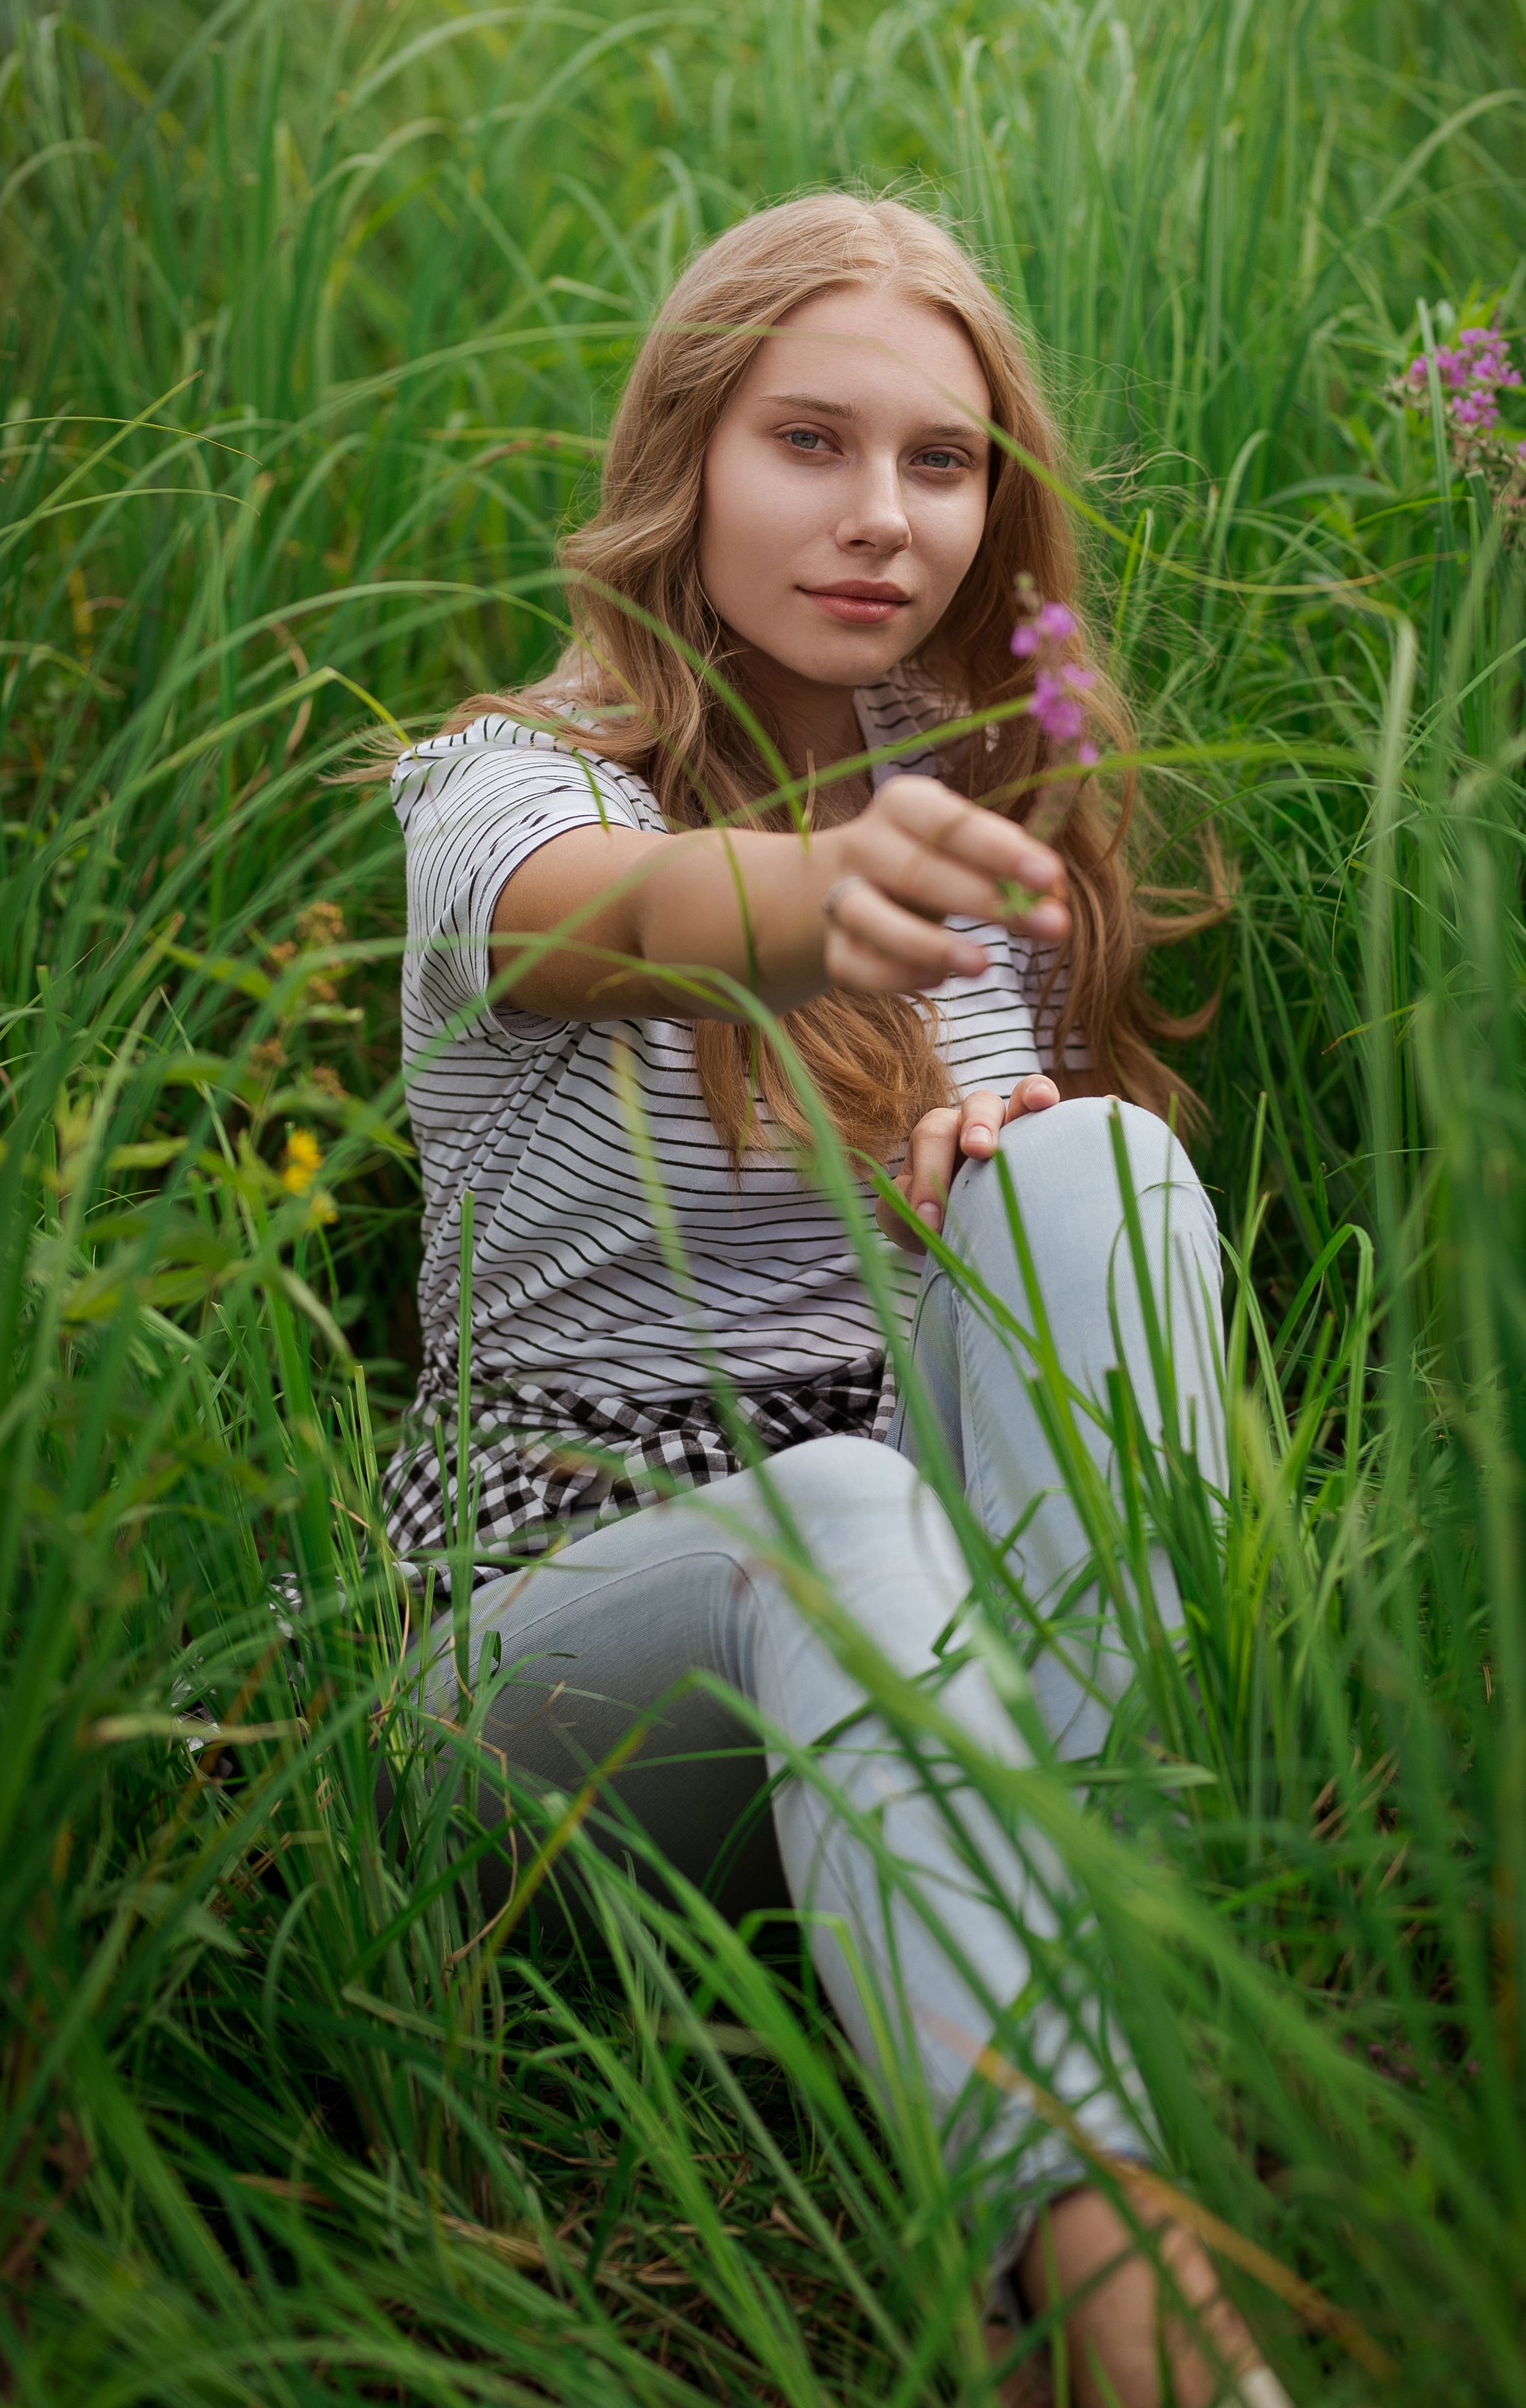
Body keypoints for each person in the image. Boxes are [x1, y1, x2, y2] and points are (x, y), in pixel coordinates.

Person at [387, 193, 1286, 2408]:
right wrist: (815, 885)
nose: (885, 517)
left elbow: (1020, 1213)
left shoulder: (966, 832)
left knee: (1095, 1164)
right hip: (558, 1663)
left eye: (945, 462)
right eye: (813, 441)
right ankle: (1117, 2292)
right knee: (850, 1502)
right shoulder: (504, 789)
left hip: (920, 1680)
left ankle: (1075, 1933)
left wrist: (988, 1164)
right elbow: (608, 913)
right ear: (687, 454)